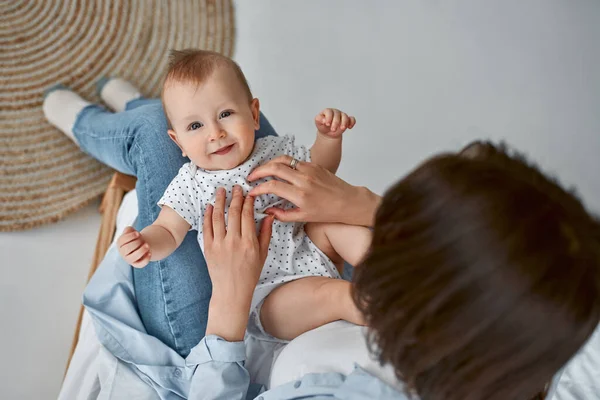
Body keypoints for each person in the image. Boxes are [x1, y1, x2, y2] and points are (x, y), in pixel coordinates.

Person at [45, 73, 600, 399]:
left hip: (240, 328)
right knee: (237, 128)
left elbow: (169, 230)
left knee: (163, 138)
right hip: (294, 261)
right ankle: (149, 106)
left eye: (400, 231)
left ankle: (105, 117)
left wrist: (231, 305)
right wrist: (352, 199)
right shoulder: (560, 307)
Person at [115, 50, 367, 344]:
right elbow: (168, 230)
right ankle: (380, 307)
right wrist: (146, 243)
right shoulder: (191, 183)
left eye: (225, 114)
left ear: (255, 114)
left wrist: (328, 139)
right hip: (269, 296)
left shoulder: (273, 150)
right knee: (334, 295)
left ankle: (389, 264)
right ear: (178, 142)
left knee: (339, 228)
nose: (216, 133)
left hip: (311, 249)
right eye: (196, 126)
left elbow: (320, 174)